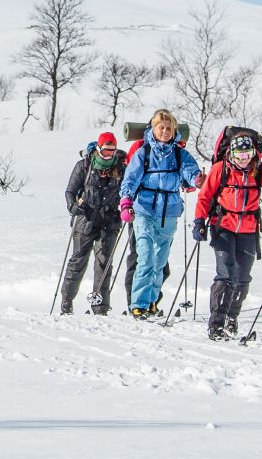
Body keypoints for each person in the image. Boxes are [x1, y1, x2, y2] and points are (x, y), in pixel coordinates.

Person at [191, 128, 262, 339]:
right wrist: (199, 222)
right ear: (231, 153)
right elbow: (204, 197)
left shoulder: (260, 171)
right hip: (223, 226)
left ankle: (232, 319)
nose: (243, 159)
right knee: (226, 275)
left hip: (249, 229)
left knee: (243, 277)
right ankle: (216, 324)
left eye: (247, 154)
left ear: (253, 153)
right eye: (239, 155)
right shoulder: (219, 169)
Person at [120, 109, 201, 317]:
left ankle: (152, 301)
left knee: (160, 260)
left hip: (169, 211)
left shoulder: (179, 154)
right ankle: (138, 303)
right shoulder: (143, 153)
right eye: (161, 128)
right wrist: (126, 202)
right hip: (144, 209)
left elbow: (190, 172)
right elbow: (130, 179)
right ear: (153, 129)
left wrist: (197, 180)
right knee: (145, 257)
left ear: (174, 131)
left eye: (168, 128)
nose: (165, 132)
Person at [59, 131, 127, 315]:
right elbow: (70, 191)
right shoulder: (84, 165)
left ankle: (100, 307)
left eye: (111, 151)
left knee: (104, 262)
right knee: (78, 260)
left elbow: (128, 190)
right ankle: (66, 301)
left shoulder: (121, 168)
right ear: (98, 149)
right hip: (85, 218)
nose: (108, 154)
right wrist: (72, 206)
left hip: (110, 220)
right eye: (105, 151)